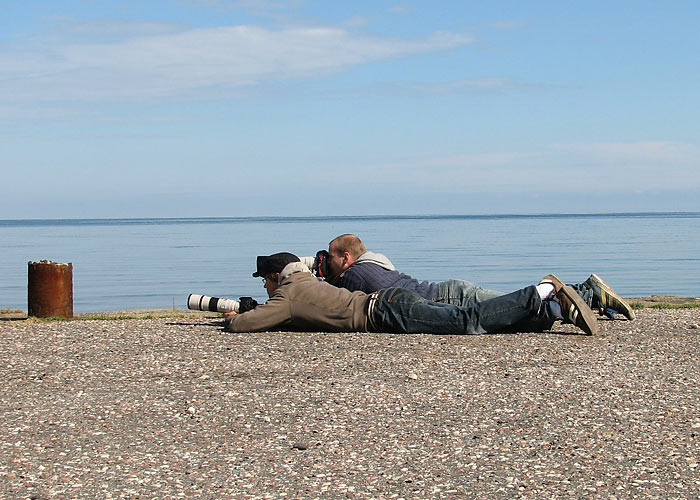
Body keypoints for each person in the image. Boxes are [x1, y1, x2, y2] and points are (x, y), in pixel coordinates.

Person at [224, 252, 599, 336]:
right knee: (479, 322)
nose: (265, 288)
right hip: (390, 303)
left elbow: (246, 326)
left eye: (265, 281)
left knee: (467, 322)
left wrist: (231, 316)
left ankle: (541, 290)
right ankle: (551, 311)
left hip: (385, 312)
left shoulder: (288, 294)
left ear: (276, 276)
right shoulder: (305, 283)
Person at [316, 234, 635, 321]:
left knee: (514, 304)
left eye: (329, 257)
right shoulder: (375, 262)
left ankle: (586, 292)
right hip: (448, 291)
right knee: (513, 306)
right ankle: (578, 302)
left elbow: (330, 299)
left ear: (346, 257)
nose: (325, 264)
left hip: (448, 298)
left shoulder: (355, 275)